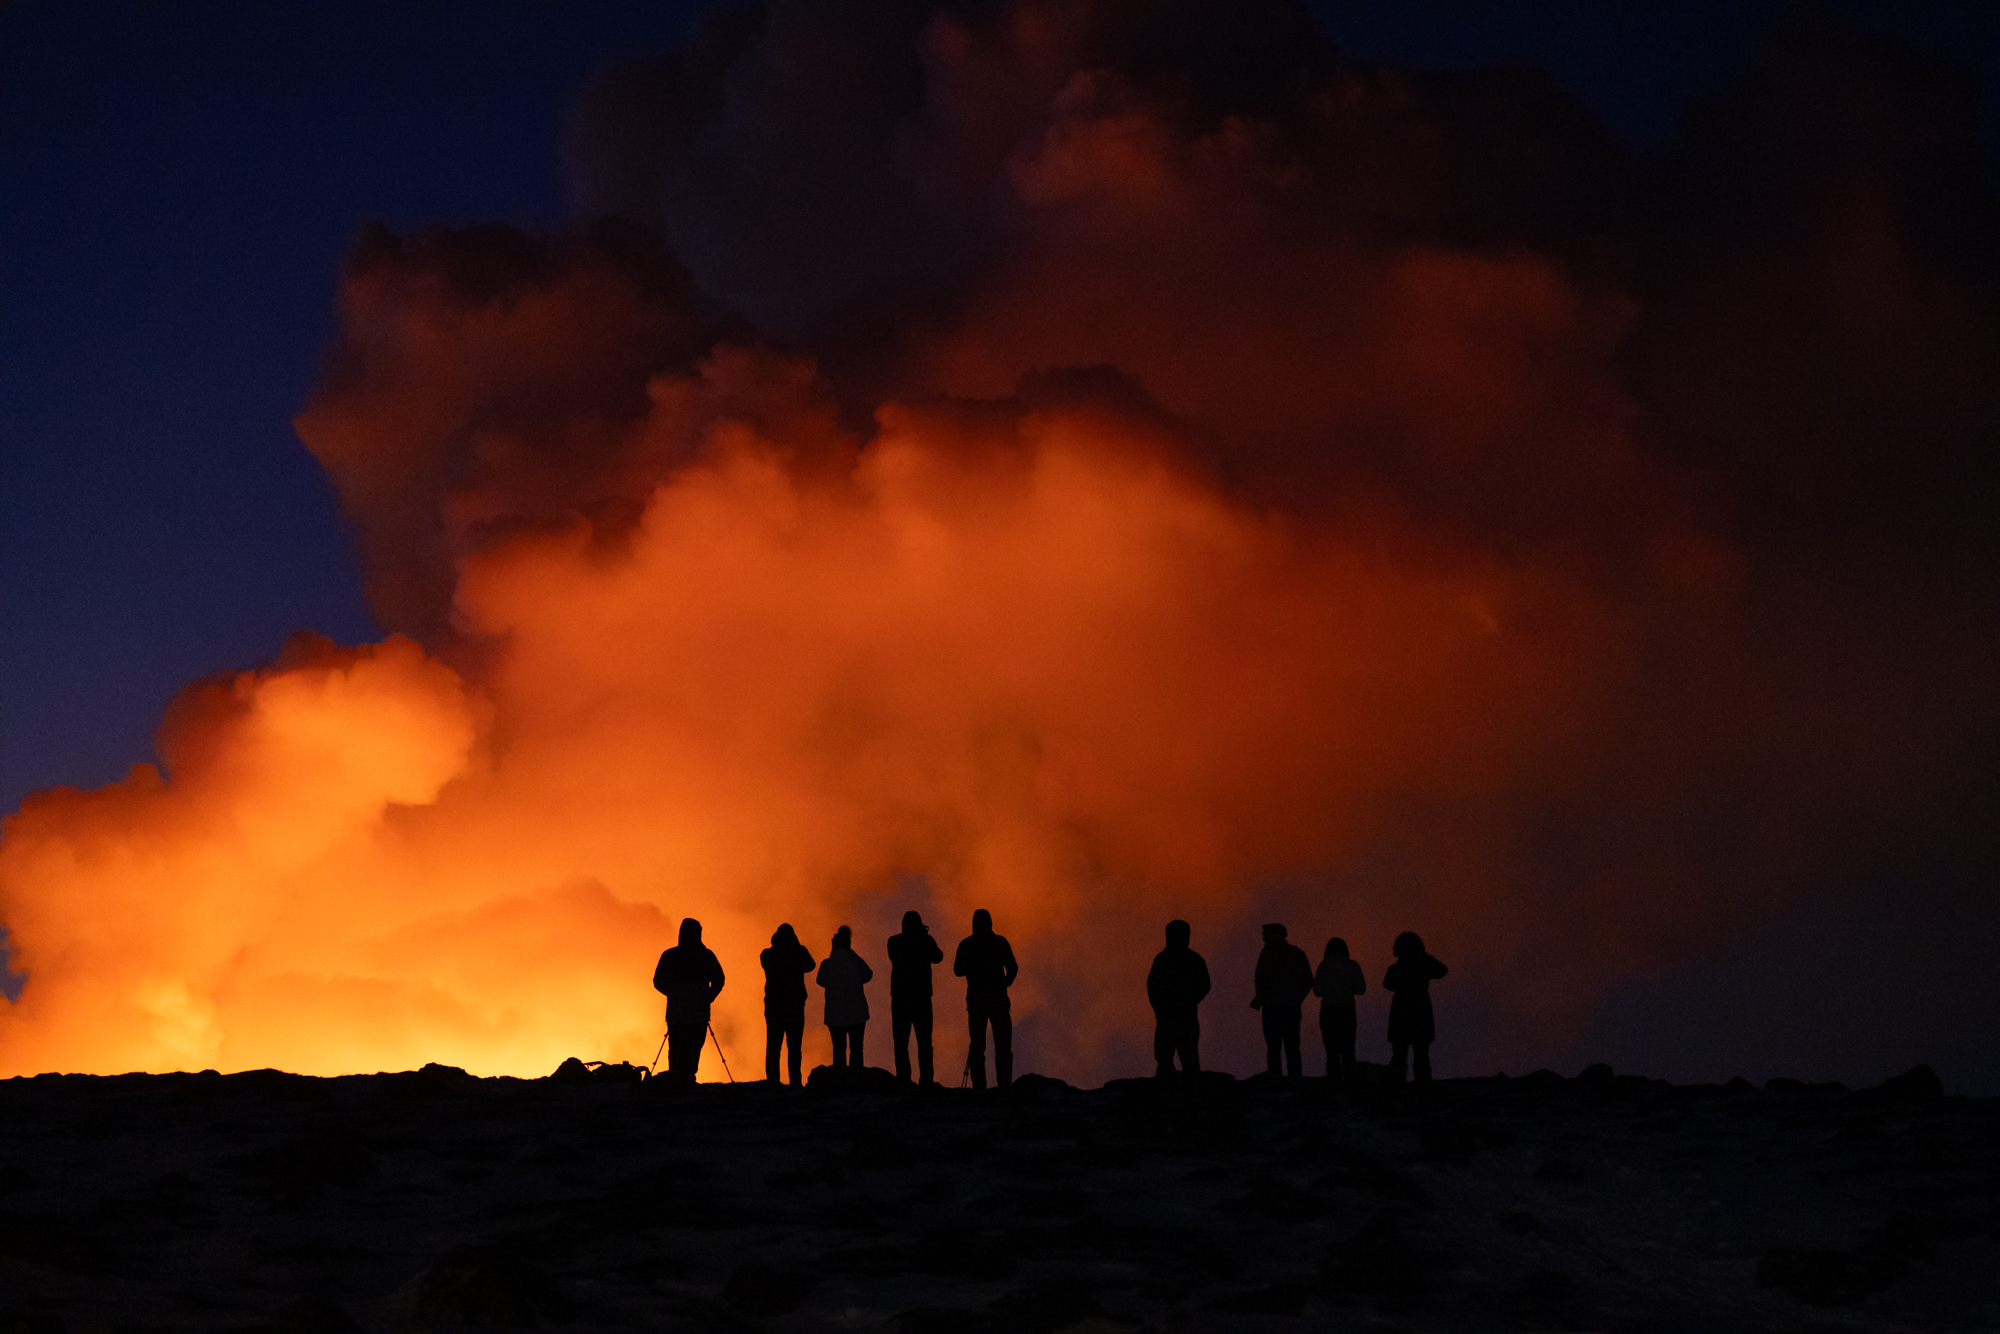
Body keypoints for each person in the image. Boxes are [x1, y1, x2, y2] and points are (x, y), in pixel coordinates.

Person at [652, 917, 725, 1084]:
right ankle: (686, 1080)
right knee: (692, 1046)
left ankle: (678, 1081)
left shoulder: (670, 955)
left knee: (678, 1047)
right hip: (695, 1012)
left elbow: (658, 981)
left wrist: (674, 993)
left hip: (679, 1012)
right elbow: (719, 979)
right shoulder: (705, 956)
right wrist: (707, 997)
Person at [953, 908, 1018, 1089]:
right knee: (1002, 1047)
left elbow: (957, 970)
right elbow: (1012, 967)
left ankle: (979, 1088)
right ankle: (1004, 1086)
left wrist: (973, 966)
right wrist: (1006, 983)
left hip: (977, 1001)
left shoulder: (967, 944)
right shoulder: (999, 942)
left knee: (977, 1046)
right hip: (997, 1000)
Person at [1146, 919, 1211, 1076]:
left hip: (1178, 1018)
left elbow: (1204, 985)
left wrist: (1185, 1002)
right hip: (1172, 1017)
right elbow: (1153, 987)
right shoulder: (1172, 960)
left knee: (1185, 1058)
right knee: (1167, 1058)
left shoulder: (1169, 959)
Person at [886, 910, 944, 1084]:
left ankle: (904, 1079)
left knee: (901, 1042)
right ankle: (926, 1079)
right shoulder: (925, 941)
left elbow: (894, 957)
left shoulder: (894, 941)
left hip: (901, 998)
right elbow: (938, 957)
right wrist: (924, 937)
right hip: (922, 998)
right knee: (924, 1042)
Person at [1383, 931, 1449, 1084]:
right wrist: (1424, 955)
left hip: (1401, 1012)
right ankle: (1423, 1088)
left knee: (1399, 1056)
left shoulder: (1396, 968)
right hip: (1421, 1010)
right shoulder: (1424, 963)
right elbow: (1442, 970)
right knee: (1421, 1055)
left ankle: (1399, 1089)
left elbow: (1388, 984)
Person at [1249, 922, 1314, 1078]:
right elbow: (1308, 980)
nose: (1263, 937)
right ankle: (1295, 1080)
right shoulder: (1296, 953)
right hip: (1290, 1007)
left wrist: (1260, 998)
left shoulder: (1267, 954)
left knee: (1273, 1047)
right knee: (1292, 1047)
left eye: (1266, 934)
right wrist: (1297, 998)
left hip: (1272, 1008)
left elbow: (1260, 979)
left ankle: (1276, 1080)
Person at [760, 923, 816, 1086]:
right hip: (794, 1005)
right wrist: (796, 947)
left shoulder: (768, 954)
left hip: (774, 1005)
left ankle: (772, 1082)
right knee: (794, 1047)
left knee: (773, 1046)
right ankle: (795, 1082)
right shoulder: (798, 952)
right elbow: (810, 965)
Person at [816, 925, 874, 1071]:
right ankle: (856, 1080)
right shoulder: (855, 961)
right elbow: (868, 975)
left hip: (835, 1014)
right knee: (856, 1049)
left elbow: (820, 980)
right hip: (857, 1012)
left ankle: (840, 1080)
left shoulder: (827, 964)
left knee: (838, 1049)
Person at [1312, 936, 1367, 1088]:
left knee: (1332, 1052)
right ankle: (1350, 1084)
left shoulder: (1324, 965)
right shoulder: (1352, 965)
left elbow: (1317, 992)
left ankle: (1334, 1085)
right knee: (1348, 1051)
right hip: (1346, 1011)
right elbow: (1361, 989)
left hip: (1328, 1012)